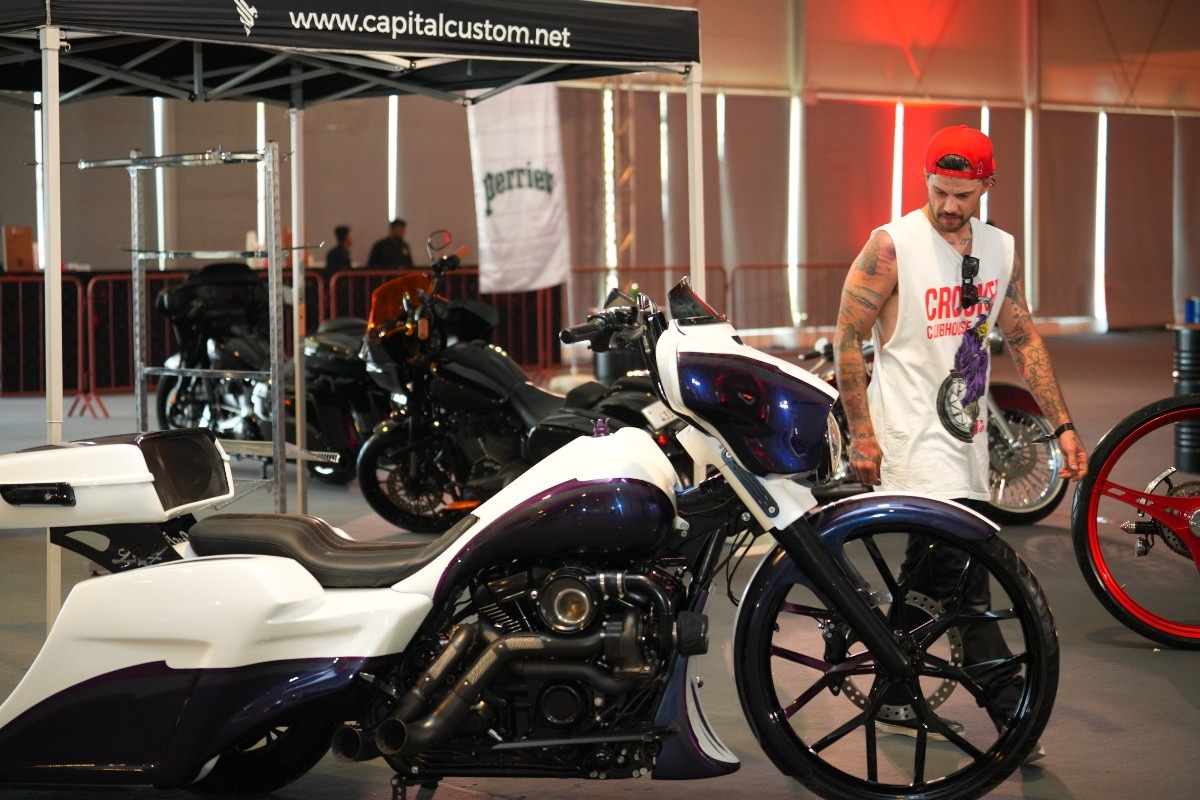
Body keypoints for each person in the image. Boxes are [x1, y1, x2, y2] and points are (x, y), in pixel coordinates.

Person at [833, 125, 1089, 760]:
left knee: (929, 580)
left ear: (987, 185)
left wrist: (1062, 427)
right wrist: (861, 434)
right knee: (964, 575)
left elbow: (1022, 337)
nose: (950, 205)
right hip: (911, 443)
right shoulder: (891, 246)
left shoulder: (1000, 249)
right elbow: (847, 337)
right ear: (926, 179)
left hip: (967, 441)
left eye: (964, 195)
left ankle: (893, 694)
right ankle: (1011, 713)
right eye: (940, 191)